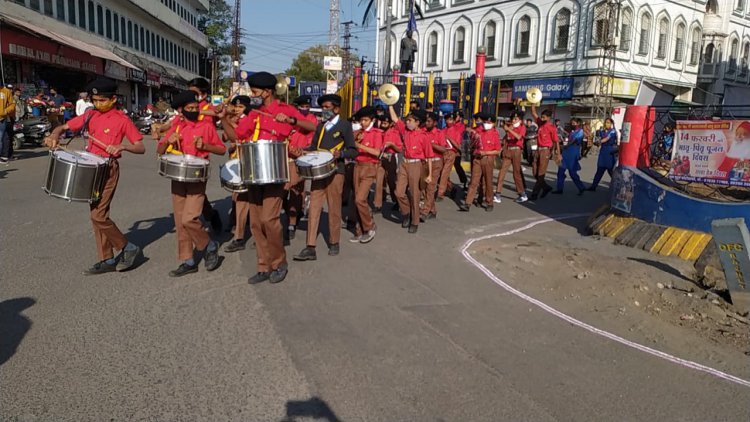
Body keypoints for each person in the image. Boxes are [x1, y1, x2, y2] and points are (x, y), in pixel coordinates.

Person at [44, 77, 145, 275]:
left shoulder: (122, 120)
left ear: (113, 99)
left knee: (98, 215)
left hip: (108, 170)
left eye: (102, 101)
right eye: (95, 100)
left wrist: (122, 146)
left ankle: (128, 247)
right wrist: (54, 135)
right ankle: (106, 259)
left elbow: (140, 147)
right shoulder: (90, 115)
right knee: (97, 216)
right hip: (91, 167)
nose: (98, 104)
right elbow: (63, 127)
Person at [229, 72, 315, 284]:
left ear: (267, 92)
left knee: (269, 219)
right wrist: (223, 117)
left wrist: (292, 120)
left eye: (256, 92)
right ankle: (263, 265)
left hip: (275, 172)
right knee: (256, 223)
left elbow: (313, 127)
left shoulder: (285, 110)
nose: (253, 95)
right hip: (253, 172)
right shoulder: (254, 113)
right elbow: (237, 135)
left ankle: (279, 262)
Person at [156, 90, 226, 276]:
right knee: (180, 222)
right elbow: (160, 150)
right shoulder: (176, 127)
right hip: (178, 176)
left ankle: (209, 245)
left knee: (189, 218)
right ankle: (188, 261)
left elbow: (221, 149)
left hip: (197, 176)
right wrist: (167, 141)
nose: (195, 110)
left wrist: (205, 146)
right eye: (190, 108)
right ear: (181, 110)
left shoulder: (206, 127)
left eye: (196, 107)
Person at [294, 94, 356, 261]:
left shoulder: (345, 125)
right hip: (318, 171)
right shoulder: (321, 126)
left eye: (328, 107)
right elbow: (314, 147)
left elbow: (353, 149)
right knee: (313, 207)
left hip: (336, 171)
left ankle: (334, 241)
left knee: (334, 207)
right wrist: (303, 151)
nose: (324, 110)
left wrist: (341, 153)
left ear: (336, 109)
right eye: (323, 107)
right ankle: (310, 246)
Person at [186, 77, 225, 233]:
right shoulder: (186, 105)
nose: (190, 95)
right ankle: (208, 213)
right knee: (190, 192)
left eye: (194, 92)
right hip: (185, 150)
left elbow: (216, 115)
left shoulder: (210, 107)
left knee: (196, 192)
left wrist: (195, 110)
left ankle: (209, 215)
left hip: (201, 153)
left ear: (203, 93)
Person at [389, 105, 433, 234]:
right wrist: (391, 103)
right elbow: (395, 119)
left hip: (416, 165)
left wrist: (429, 174)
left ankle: (414, 221)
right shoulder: (405, 131)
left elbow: (429, 156)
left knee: (415, 194)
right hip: (404, 163)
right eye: (407, 120)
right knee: (399, 192)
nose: (407, 122)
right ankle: (406, 212)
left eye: (410, 121)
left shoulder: (423, 136)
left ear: (417, 122)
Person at [222, 95, 255, 253]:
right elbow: (227, 137)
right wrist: (227, 118)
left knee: (256, 202)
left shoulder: (250, 120)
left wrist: (228, 120)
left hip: (252, 161)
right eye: (236, 106)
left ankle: (259, 234)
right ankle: (239, 236)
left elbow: (239, 135)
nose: (237, 109)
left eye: (241, 107)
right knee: (239, 197)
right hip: (238, 162)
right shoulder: (234, 119)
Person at [285, 95, 318, 240]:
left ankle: (292, 223)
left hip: (300, 157)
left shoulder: (311, 118)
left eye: (307, 106)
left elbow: (312, 135)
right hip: (284, 156)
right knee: (281, 191)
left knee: (295, 190)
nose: (305, 108)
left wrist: (303, 151)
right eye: (302, 106)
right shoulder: (288, 116)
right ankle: (294, 212)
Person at [349, 106, 383, 244]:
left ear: (372, 120)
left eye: (366, 120)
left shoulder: (377, 133)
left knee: (360, 199)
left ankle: (369, 226)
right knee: (356, 198)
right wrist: (355, 138)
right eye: (361, 120)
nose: (363, 122)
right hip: (357, 166)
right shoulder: (358, 132)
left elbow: (377, 152)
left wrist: (360, 146)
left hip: (369, 167)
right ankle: (360, 230)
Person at [459, 112, 501, 212]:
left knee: (487, 181)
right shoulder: (479, 131)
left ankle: (489, 202)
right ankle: (467, 203)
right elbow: (471, 145)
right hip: (477, 158)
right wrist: (473, 136)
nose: (487, 123)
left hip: (487, 158)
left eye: (489, 122)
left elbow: (498, 150)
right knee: (474, 181)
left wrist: (486, 152)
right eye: (486, 121)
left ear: (493, 123)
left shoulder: (495, 134)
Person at [495, 111, 528, 203]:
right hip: (508, 151)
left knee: (516, 173)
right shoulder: (510, 127)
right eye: (513, 119)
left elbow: (518, 137)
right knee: (502, 172)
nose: (513, 121)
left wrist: (509, 129)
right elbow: (506, 139)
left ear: (520, 120)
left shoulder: (522, 127)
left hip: (516, 150)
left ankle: (522, 194)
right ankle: (498, 194)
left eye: (516, 119)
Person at [529, 105, 559, 200]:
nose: (542, 118)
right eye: (541, 117)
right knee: (535, 172)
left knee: (541, 173)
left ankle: (535, 194)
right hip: (538, 150)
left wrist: (557, 153)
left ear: (549, 118)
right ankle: (546, 187)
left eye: (544, 117)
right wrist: (533, 103)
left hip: (545, 151)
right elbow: (534, 113)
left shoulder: (552, 127)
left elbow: (556, 141)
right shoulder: (540, 123)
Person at [421, 111, 447, 219]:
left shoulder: (439, 133)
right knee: (423, 187)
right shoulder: (422, 131)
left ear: (435, 123)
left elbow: (443, 149)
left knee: (431, 187)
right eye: (426, 121)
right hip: (424, 162)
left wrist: (431, 145)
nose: (426, 123)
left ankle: (425, 211)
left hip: (436, 162)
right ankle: (432, 210)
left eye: (429, 121)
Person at [552, 117, 587, 195]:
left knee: (572, 172)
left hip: (573, 153)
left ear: (578, 123)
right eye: (571, 123)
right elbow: (568, 140)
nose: (572, 124)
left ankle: (581, 187)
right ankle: (559, 189)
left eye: (574, 123)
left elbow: (574, 141)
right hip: (566, 153)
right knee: (560, 171)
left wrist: (566, 145)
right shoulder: (572, 131)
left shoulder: (580, 131)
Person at [373, 114, 400, 212]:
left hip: (390, 158)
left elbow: (400, 149)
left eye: (385, 123)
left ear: (391, 124)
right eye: (381, 122)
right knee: (379, 181)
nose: (383, 125)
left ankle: (397, 200)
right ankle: (377, 204)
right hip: (380, 158)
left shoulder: (394, 133)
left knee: (391, 181)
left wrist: (392, 145)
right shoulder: (377, 132)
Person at [587, 118, 619, 191]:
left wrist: (599, 142)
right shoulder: (602, 131)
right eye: (605, 122)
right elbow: (599, 138)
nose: (606, 124)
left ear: (611, 124)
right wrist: (596, 141)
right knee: (599, 170)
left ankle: (618, 186)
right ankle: (593, 186)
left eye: (608, 122)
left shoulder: (613, 131)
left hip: (610, 151)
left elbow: (607, 139)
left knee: (611, 171)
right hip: (603, 151)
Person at [437, 112, 462, 200]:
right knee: (441, 173)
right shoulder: (442, 130)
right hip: (442, 153)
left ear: (454, 121)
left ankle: (440, 193)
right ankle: (451, 188)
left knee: (444, 173)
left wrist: (449, 138)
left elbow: (458, 146)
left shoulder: (456, 132)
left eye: (451, 119)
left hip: (451, 153)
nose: (448, 121)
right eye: (447, 119)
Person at [0, 84, 15, 163]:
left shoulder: (6, 92)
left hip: (2, 119)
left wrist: (5, 111)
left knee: (2, 139)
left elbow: (12, 104)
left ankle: (3, 155)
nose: (11, 89)